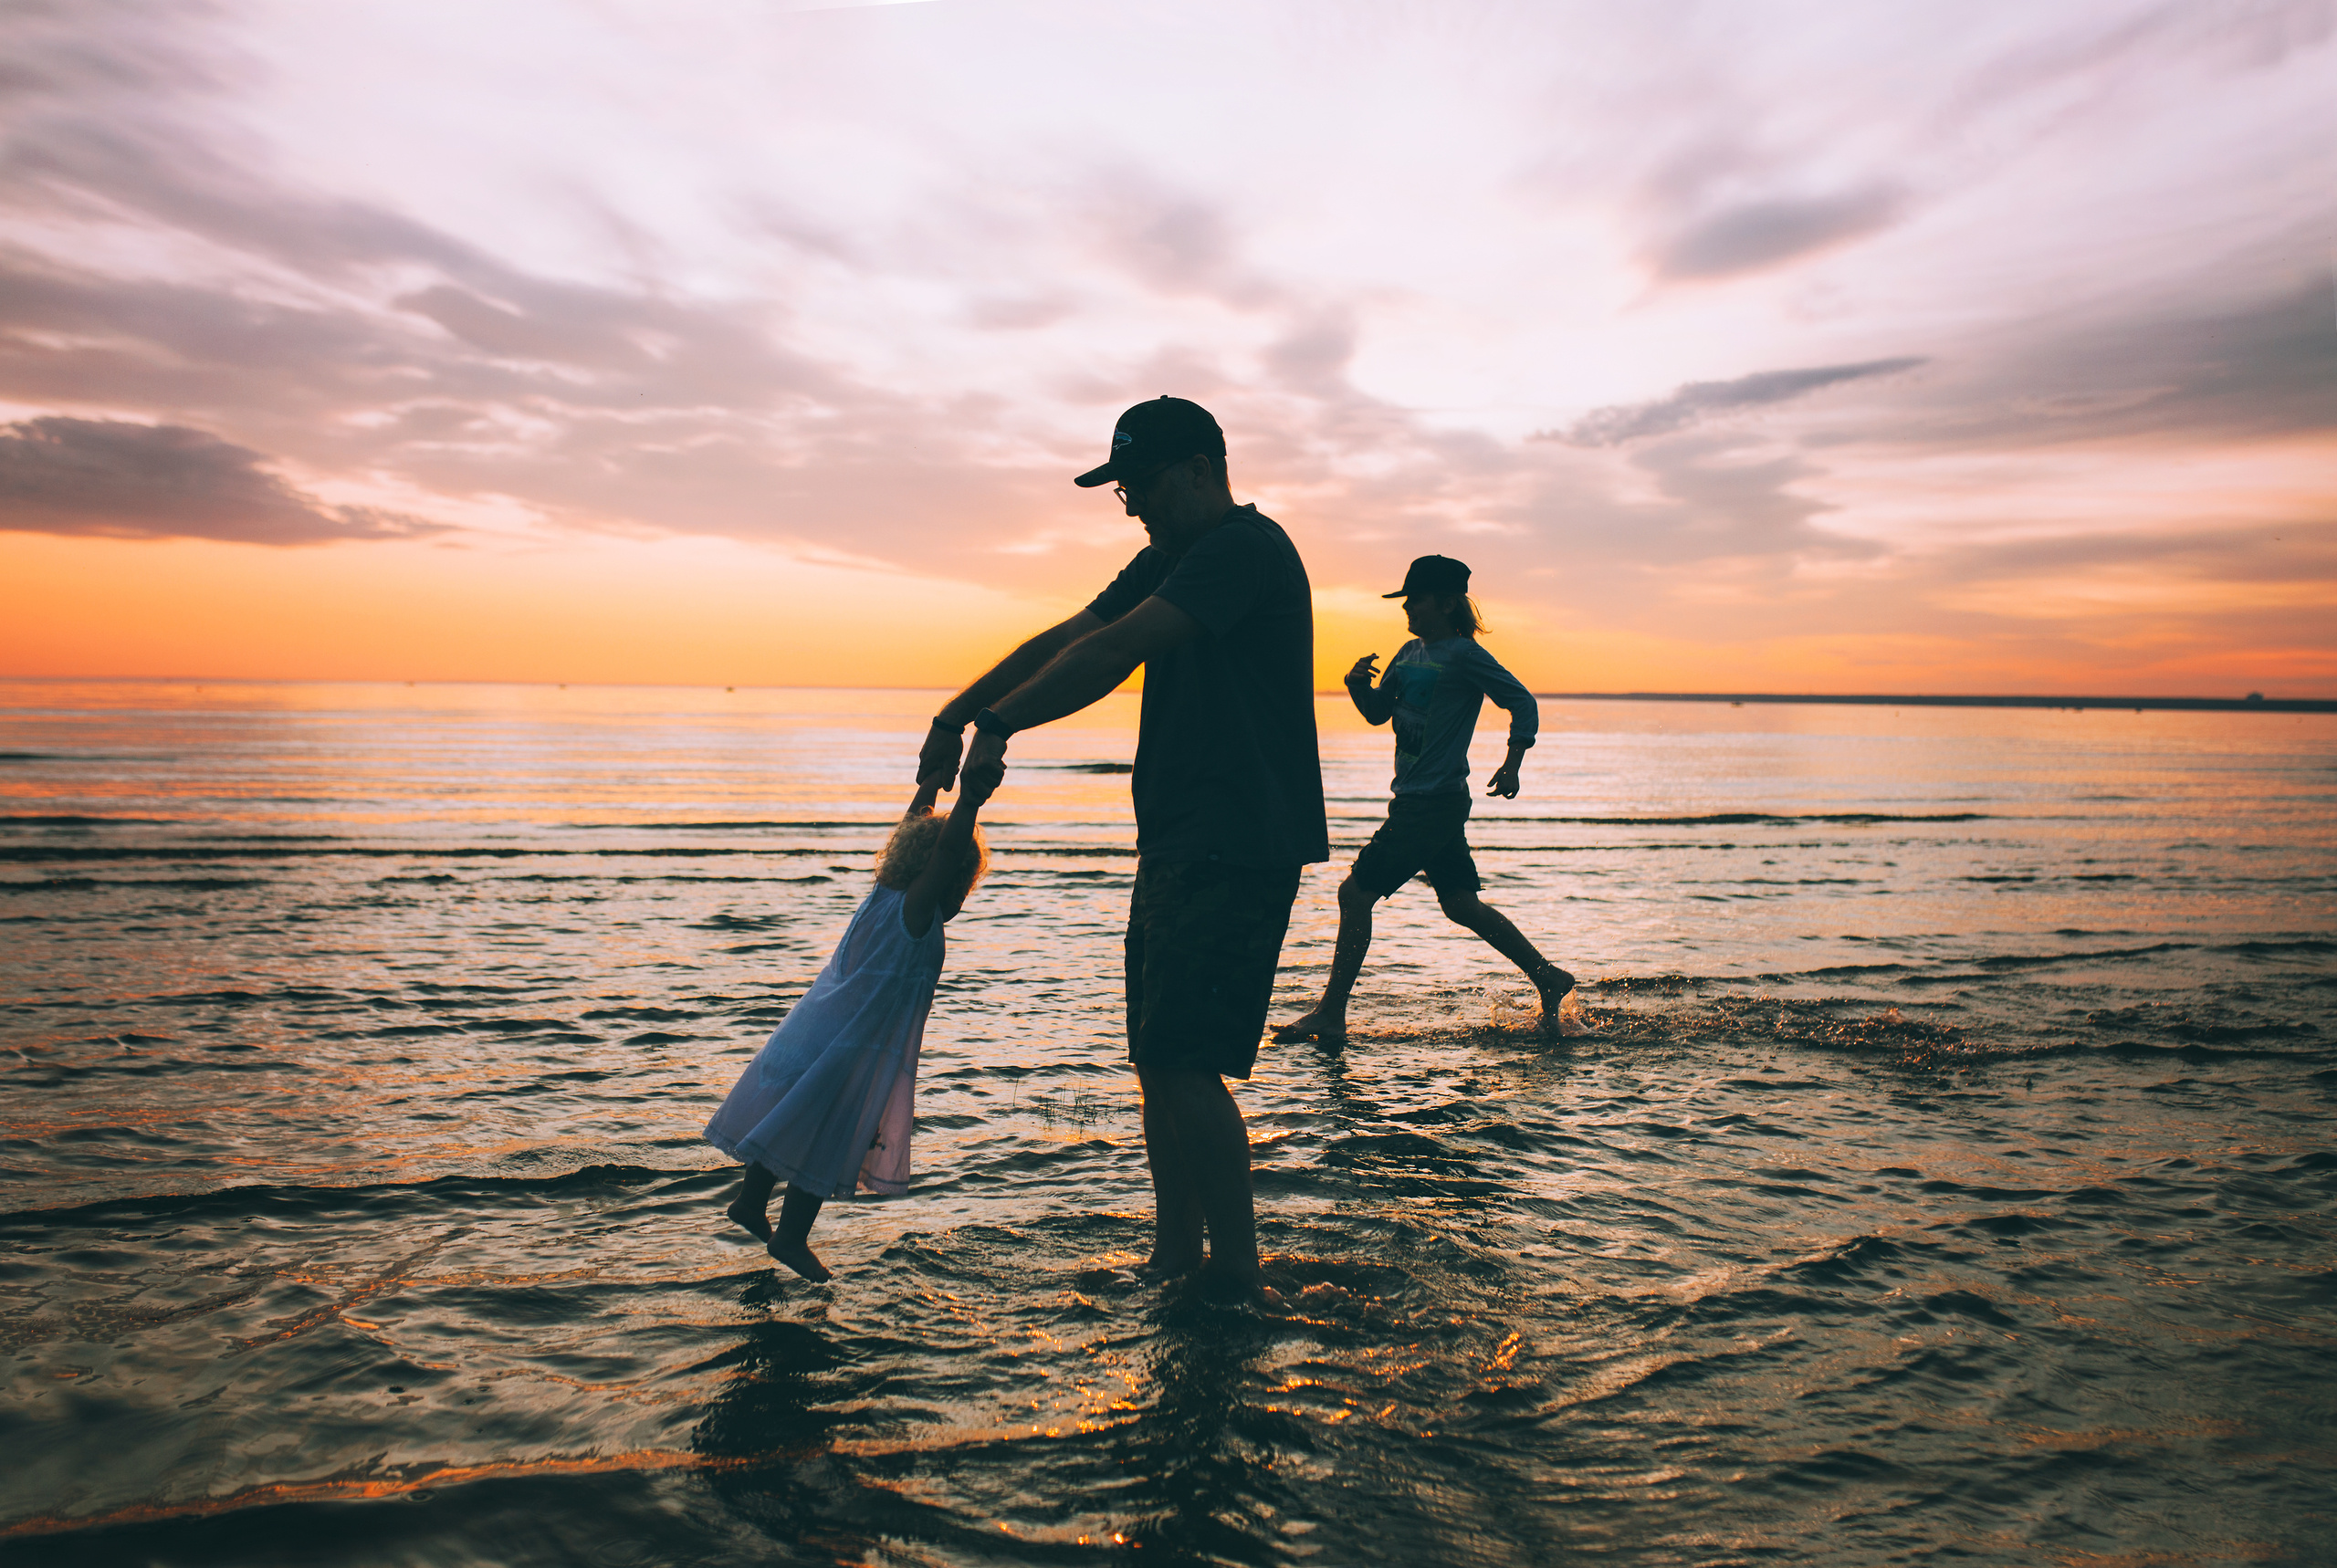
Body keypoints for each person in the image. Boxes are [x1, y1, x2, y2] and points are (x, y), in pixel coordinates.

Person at [917, 395, 1326, 1299]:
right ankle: (1175, 1258)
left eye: (1139, 483)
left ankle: (1238, 1278)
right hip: (1182, 835)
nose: (1130, 502)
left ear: (1198, 469)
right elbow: (1072, 635)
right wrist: (958, 712)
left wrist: (1001, 720)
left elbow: (1119, 649)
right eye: (1120, 488)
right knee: (1158, 1057)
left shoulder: (1240, 550)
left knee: (1185, 1061)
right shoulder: (1172, 553)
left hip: (1235, 836)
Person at [1275, 554, 1579, 1046]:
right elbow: (1378, 713)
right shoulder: (1408, 652)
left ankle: (1331, 1014)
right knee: (1460, 904)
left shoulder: (1465, 655)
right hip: (1419, 800)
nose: (1407, 609)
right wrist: (1357, 687)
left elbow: (1522, 701)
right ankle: (1547, 975)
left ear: (1445, 602)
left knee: (1354, 895)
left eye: (1414, 600)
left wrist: (1513, 761)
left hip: (1432, 804)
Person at [705, 772, 993, 1282]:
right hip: (847, 1048)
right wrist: (968, 798)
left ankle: (751, 1203)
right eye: (964, 885)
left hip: (810, 1031)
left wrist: (928, 782)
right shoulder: (915, 909)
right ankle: (791, 1237)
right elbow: (945, 852)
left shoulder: (883, 892)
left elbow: (915, 825)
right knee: (827, 1137)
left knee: (789, 1120)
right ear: (950, 879)